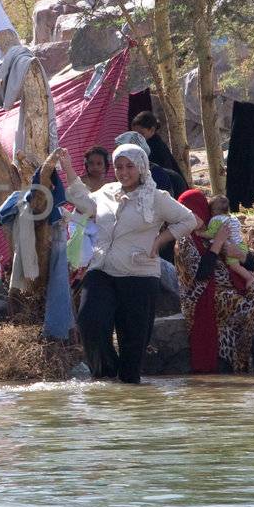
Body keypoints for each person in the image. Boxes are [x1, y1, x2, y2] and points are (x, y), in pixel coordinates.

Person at [66, 143, 198, 382]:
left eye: (129, 166)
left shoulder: (156, 197)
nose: (123, 172)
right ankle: (106, 377)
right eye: (118, 167)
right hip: (102, 270)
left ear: (142, 167)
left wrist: (160, 240)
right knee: (89, 322)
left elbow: (189, 220)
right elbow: (85, 205)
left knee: (133, 344)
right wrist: (68, 169)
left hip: (140, 274)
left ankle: (128, 392)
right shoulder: (106, 192)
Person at [175, 189, 254, 374]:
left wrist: (240, 254)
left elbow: (251, 263)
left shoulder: (214, 229)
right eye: (185, 214)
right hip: (204, 295)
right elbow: (201, 274)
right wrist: (218, 243)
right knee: (241, 302)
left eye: (194, 213)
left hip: (232, 285)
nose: (191, 218)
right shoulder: (184, 241)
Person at [202, 195, 254, 289]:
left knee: (234, 265)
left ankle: (249, 278)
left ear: (213, 211)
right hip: (241, 244)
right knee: (243, 263)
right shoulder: (233, 218)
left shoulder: (216, 220)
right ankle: (250, 274)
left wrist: (200, 234)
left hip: (230, 247)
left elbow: (211, 234)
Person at [130, 111, 188, 189]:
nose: (137, 138)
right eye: (134, 134)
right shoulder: (146, 144)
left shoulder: (155, 146)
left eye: (141, 134)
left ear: (152, 130)